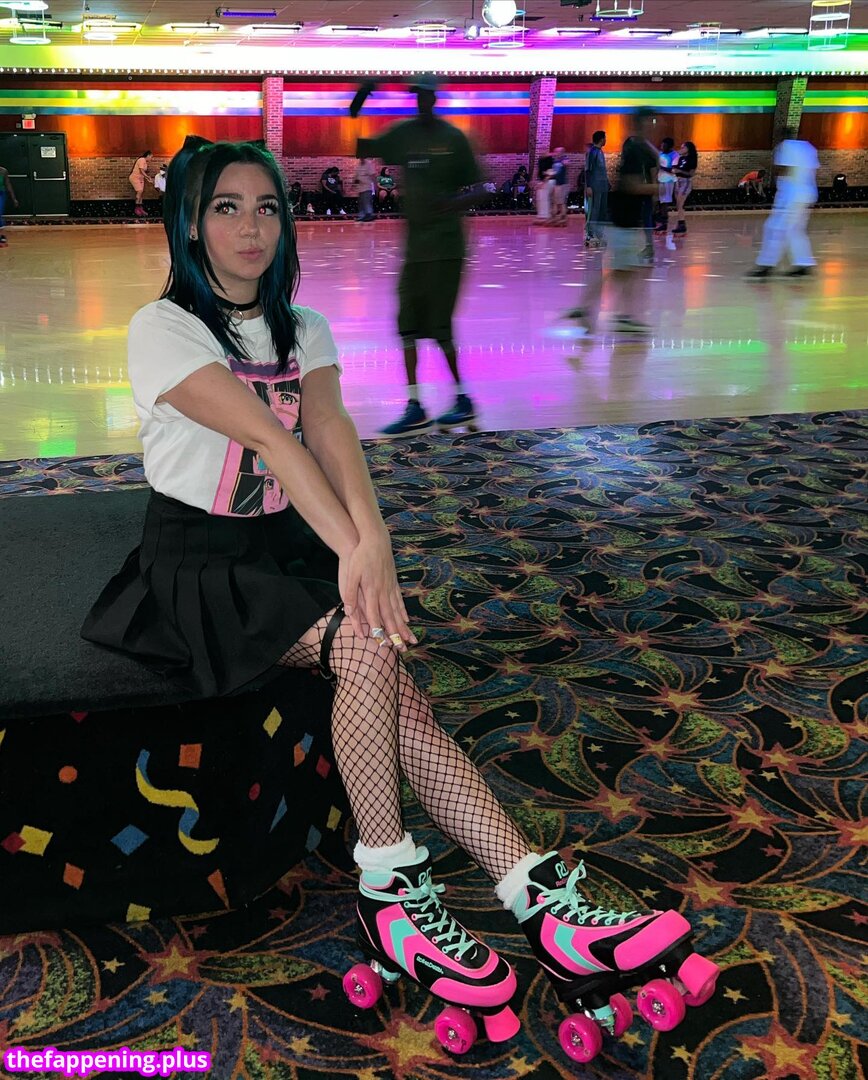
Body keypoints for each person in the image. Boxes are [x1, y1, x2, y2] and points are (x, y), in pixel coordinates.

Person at [79, 136, 717, 1046]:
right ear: (189, 222)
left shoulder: (303, 325)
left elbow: (331, 429)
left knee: (399, 695)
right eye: (226, 207)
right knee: (370, 644)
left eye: (267, 206)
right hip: (201, 564)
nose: (252, 227)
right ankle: (389, 889)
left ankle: (536, 897)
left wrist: (371, 538)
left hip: (285, 545)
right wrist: (357, 551)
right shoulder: (163, 328)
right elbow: (271, 440)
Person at [355, 74, 486, 437]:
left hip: (446, 249)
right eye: (416, 95)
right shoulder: (405, 133)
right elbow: (363, 147)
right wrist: (358, 103)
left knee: (441, 328)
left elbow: (485, 187)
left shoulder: (453, 139)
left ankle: (462, 399)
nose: (421, 101)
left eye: (426, 95)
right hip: (415, 251)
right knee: (407, 326)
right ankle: (415, 406)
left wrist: (451, 203)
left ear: (435, 99)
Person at [566, 108, 659, 335]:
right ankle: (593, 310)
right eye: (653, 122)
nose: (656, 126)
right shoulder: (635, 150)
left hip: (625, 219)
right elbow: (631, 185)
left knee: (626, 271)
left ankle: (610, 314)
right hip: (623, 220)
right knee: (623, 271)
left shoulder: (636, 148)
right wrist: (660, 188)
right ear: (644, 123)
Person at [746, 127, 819, 278]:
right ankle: (804, 263)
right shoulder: (808, 147)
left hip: (791, 196)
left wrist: (767, 165)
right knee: (796, 230)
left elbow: (785, 169)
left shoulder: (786, 146)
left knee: (774, 228)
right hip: (807, 194)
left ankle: (766, 265)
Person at [584, 130, 608, 248]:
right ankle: (590, 234)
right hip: (595, 186)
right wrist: (589, 186)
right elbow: (588, 170)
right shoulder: (592, 152)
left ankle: (599, 234)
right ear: (601, 139)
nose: (606, 140)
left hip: (603, 186)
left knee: (602, 211)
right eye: (605, 138)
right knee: (595, 210)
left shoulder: (600, 152)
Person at [668, 141, 697, 239]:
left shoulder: (692, 159)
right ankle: (681, 224)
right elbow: (675, 167)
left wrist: (679, 171)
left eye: (683, 147)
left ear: (688, 149)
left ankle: (682, 224)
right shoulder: (680, 158)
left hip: (685, 181)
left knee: (680, 202)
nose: (681, 149)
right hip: (678, 181)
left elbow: (691, 173)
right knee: (678, 204)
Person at [656, 137, 679, 250]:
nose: (661, 146)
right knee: (661, 202)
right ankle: (660, 220)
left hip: (668, 181)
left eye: (663, 145)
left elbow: (673, 170)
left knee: (665, 202)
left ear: (669, 146)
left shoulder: (674, 155)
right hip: (660, 180)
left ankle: (664, 223)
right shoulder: (660, 153)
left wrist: (661, 167)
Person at [129, 150, 153, 217]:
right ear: (148, 155)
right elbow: (141, 170)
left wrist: (147, 179)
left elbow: (143, 173)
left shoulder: (145, 162)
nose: (151, 158)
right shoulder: (142, 159)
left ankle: (140, 209)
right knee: (139, 191)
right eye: (151, 157)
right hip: (135, 178)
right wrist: (147, 177)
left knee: (141, 193)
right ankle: (136, 209)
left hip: (140, 179)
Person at [0, 163, 19, 246]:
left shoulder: (3, 171)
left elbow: (8, 185)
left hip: (1, 194)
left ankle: (2, 236)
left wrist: (14, 198)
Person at [550, 147, 570, 227]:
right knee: (555, 202)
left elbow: (567, 163)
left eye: (558, 152)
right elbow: (554, 172)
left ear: (562, 152)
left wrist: (563, 162)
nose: (556, 153)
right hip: (557, 184)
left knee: (561, 203)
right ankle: (555, 219)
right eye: (555, 152)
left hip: (563, 184)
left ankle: (563, 219)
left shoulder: (565, 158)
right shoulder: (555, 161)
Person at [354, 156, 376, 222]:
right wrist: (354, 184)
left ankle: (369, 215)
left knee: (367, 202)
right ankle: (362, 216)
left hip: (367, 187)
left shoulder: (368, 164)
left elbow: (373, 175)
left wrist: (375, 186)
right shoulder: (358, 165)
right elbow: (356, 176)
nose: (361, 159)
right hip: (360, 188)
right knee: (361, 203)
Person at [534, 153, 555, 224]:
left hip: (549, 181)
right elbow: (538, 172)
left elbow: (550, 174)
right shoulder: (541, 162)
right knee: (540, 198)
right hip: (543, 181)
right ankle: (542, 214)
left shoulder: (550, 162)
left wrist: (543, 183)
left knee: (544, 197)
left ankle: (545, 215)